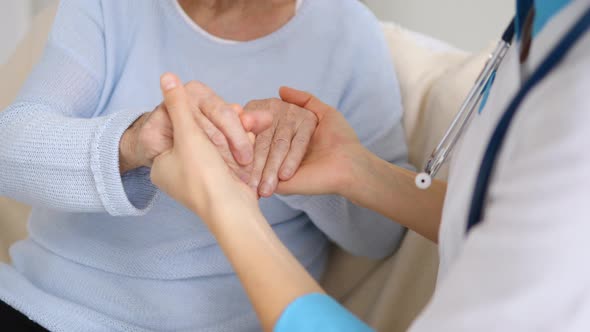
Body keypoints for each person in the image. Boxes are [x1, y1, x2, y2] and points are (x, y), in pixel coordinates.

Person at [147, 0, 590, 331]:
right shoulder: (550, 19)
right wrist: (358, 170)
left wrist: (228, 208)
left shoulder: (578, 110)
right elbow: (513, 217)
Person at [0, 0, 410, 331]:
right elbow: (9, 151)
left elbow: (382, 235)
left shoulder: (350, 35)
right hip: (34, 304)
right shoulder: (111, 8)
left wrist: (291, 170)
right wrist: (134, 140)